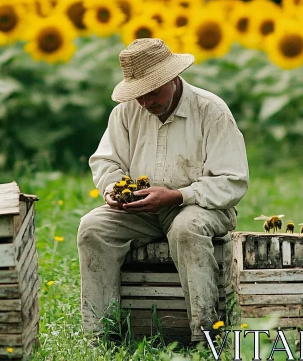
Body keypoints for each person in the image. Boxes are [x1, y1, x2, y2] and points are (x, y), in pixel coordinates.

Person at [77, 37, 249, 343]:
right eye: (139, 95)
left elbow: (233, 182)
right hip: (141, 209)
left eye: (152, 92)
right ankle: (100, 336)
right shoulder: (126, 112)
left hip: (202, 208)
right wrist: (113, 190)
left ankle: (206, 334)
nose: (146, 102)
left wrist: (178, 195)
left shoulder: (211, 111)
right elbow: (106, 161)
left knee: (185, 228)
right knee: (92, 227)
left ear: (172, 78)